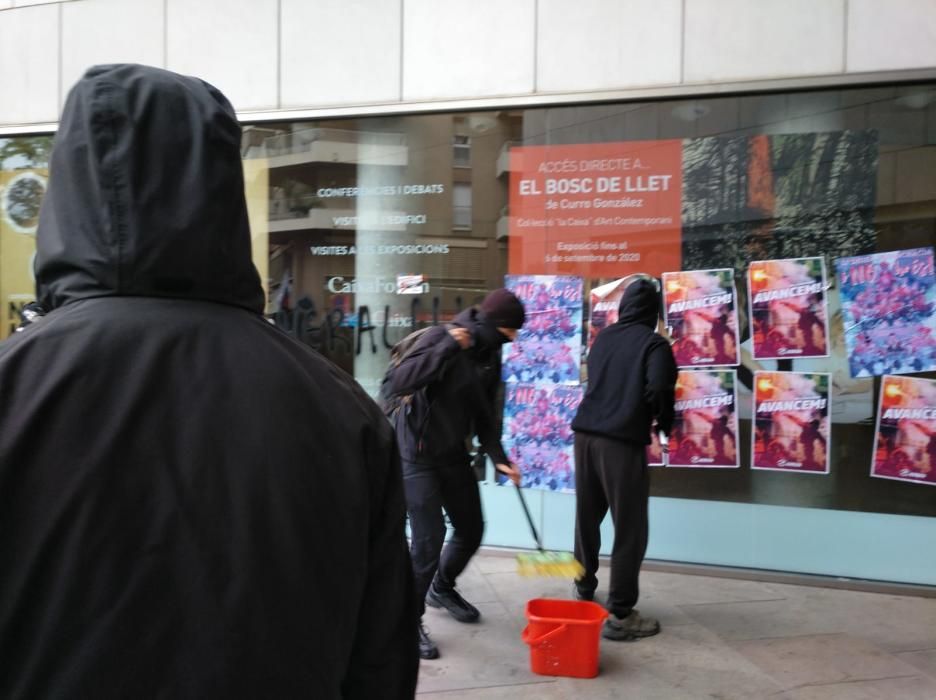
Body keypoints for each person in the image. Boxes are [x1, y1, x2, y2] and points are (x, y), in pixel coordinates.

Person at [0, 64, 418, 699]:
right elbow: (380, 655)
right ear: (219, 190)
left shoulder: (13, 387)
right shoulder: (340, 410)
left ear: (68, 190)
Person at [383, 289, 524, 660]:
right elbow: (402, 381)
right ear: (495, 325)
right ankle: (405, 623)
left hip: (452, 454)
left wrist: (499, 456)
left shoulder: (489, 355)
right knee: (428, 540)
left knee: (471, 527)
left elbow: (484, 414)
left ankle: (441, 587)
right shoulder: (440, 338)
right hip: (416, 455)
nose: (513, 338)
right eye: (511, 330)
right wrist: (447, 346)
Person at [570, 276, 677, 641]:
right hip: (620, 443)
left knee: (588, 515)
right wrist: (663, 423)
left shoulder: (604, 339)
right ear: (654, 312)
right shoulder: (654, 345)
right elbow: (660, 387)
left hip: (584, 436)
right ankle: (620, 611)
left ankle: (583, 584)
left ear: (624, 307)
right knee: (629, 527)